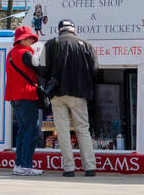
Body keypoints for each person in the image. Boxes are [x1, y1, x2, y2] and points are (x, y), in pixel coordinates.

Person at [35, 19, 99, 177]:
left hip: (57, 94)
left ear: (59, 30)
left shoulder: (50, 44)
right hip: (79, 93)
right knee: (82, 129)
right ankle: (89, 167)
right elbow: (95, 70)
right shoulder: (86, 44)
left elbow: (42, 70)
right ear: (74, 30)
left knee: (62, 132)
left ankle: (69, 168)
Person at [5, 25, 43, 177]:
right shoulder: (26, 54)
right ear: (22, 39)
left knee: (22, 131)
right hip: (27, 95)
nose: (32, 40)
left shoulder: (11, 54)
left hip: (14, 96)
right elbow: (40, 69)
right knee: (31, 131)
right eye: (29, 38)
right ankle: (26, 165)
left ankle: (19, 165)